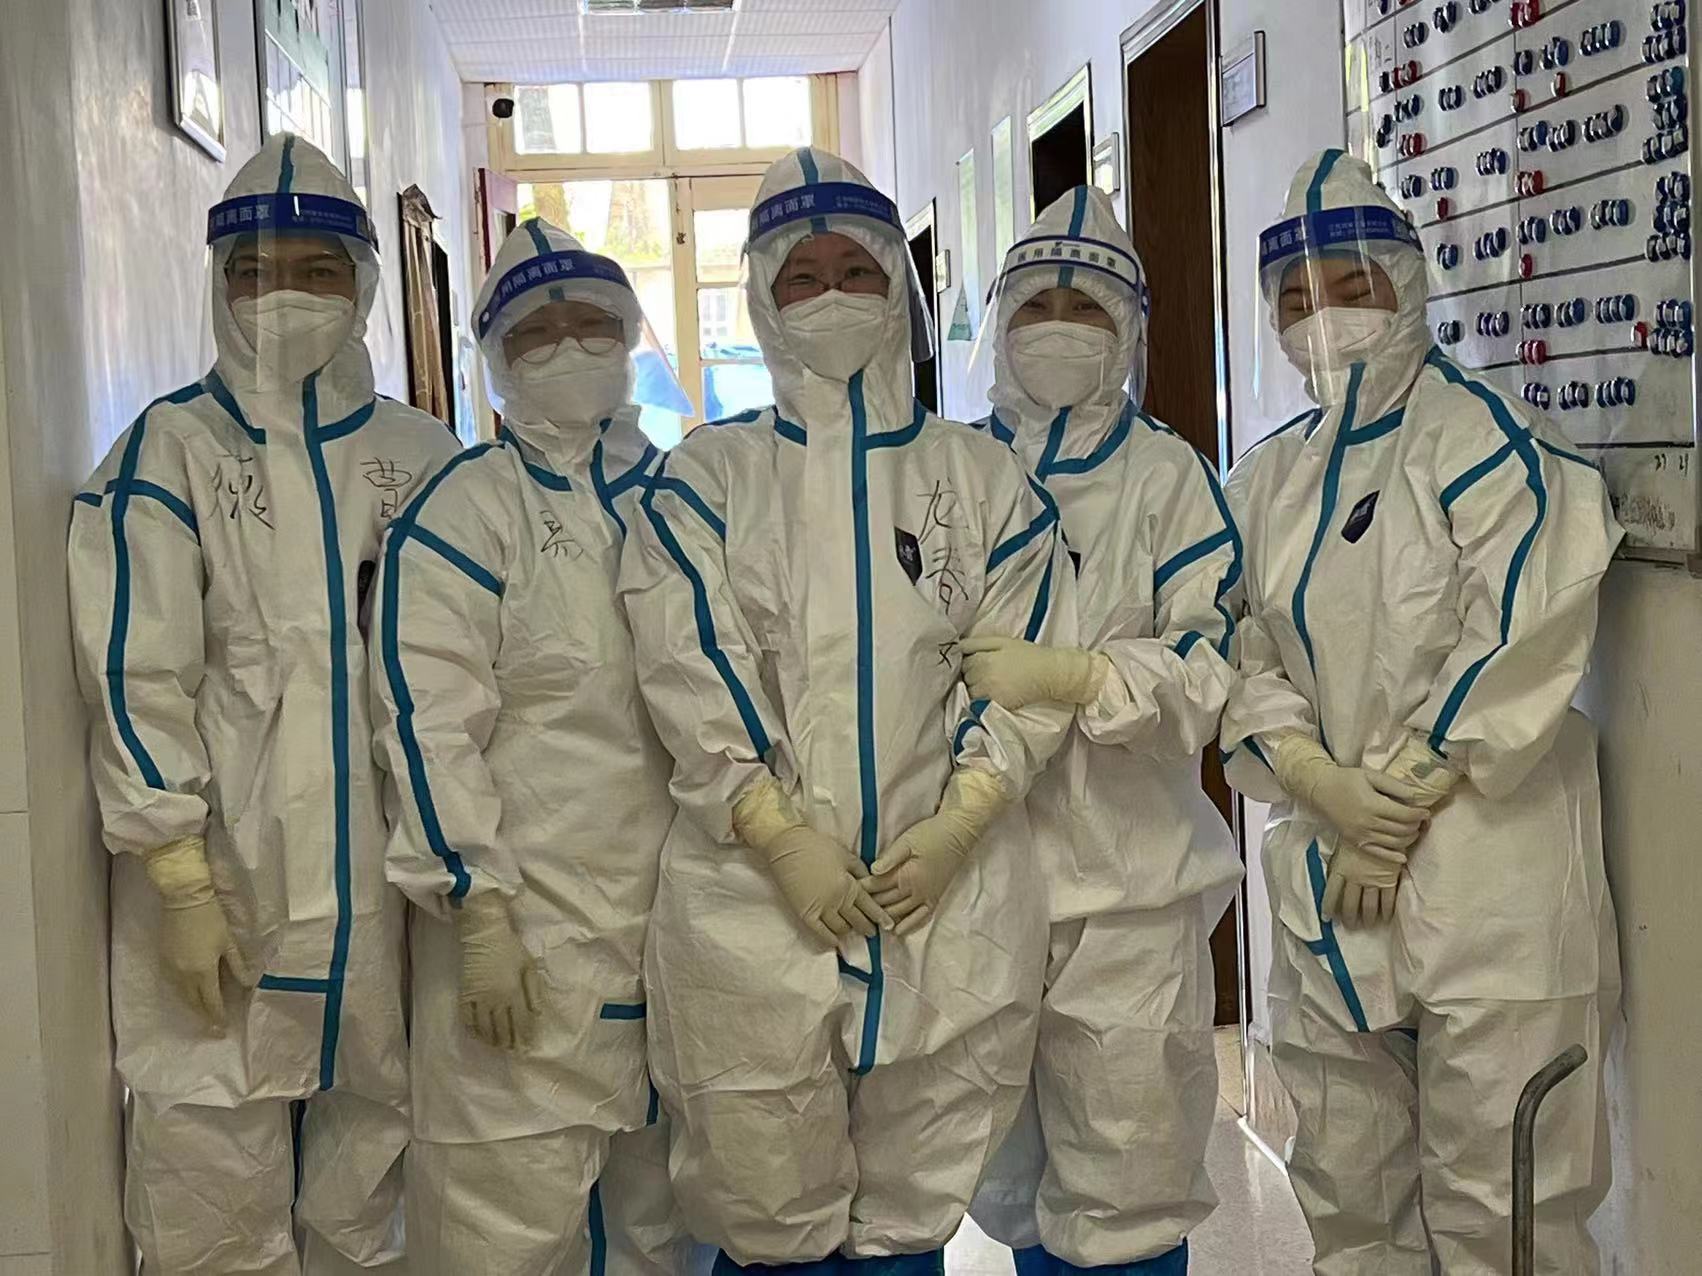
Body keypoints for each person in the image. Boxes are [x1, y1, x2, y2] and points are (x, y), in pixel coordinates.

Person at [619, 146, 1074, 1271]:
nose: (833, 297)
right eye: (803, 278)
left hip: (947, 891)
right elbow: (690, 666)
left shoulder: (982, 480)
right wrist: (775, 831)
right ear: (763, 301)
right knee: (765, 1192)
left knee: (916, 1195)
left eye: (857, 272)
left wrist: (963, 818)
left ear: (897, 287)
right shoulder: (706, 481)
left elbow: (1017, 664)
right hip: (748, 899)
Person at [1221, 149, 1622, 1275]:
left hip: (1487, 879)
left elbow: (1525, 622)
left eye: (1351, 287)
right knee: (1352, 1195)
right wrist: (1319, 782)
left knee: (1508, 1206)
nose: (1323, 317)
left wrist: (1397, 801)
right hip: (1329, 884)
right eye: (1296, 299)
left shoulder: (1484, 441)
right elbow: (1235, 644)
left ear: (1405, 284)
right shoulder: (1267, 480)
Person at [67, 132, 459, 1274]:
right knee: (207, 1156)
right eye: (255, 271)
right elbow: (137, 668)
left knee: (376, 1156)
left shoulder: (421, 455)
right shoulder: (169, 451)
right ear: (219, 283)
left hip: (387, 875)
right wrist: (176, 870)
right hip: (224, 869)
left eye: (317, 270)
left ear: (365, 284)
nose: (285, 293)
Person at [370, 218, 692, 1275]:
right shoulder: (464, 512)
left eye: (591, 324)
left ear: (629, 336)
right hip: (525, 937)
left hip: (679, 930)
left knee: (664, 1224)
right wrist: (477, 905)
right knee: (503, 1230)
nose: (568, 347)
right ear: (497, 359)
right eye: (537, 332)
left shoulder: (684, 497)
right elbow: (426, 717)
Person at [961, 185, 1243, 1274]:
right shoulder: (951, 470)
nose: (1058, 328)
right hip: (974, 874)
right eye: (1037, 304)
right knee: (1003, 1171)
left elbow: (1207, 670)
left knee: (1127, 1177)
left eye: (1085, 307)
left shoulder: (1169, 477)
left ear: (1126, 327)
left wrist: (1081, 676)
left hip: (1129, 885)